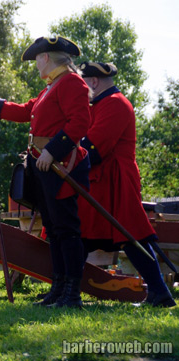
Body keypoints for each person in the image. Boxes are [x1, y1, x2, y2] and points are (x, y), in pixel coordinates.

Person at [0, 36, 91, 308]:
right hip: (43, 165)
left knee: (66, 230)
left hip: (60, 165)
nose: (36, 65)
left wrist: (52, 151)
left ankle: (71, 294)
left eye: (38, 59)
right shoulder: (51, 87)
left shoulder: (72, 83)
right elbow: (27, 111)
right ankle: (59, 289)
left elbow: (81, 121)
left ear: (46, 57)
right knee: (54, 229)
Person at [77, 61, 176, 307]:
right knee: (81, 234)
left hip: (117, 180)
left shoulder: (116, 104)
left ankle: (160, 292)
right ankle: (66, 290)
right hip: (101, 181)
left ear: (95, 81)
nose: (82, 89)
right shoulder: (101, 103)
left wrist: (66, 152)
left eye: (84, 83)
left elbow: (94, 148)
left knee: (132, 237)